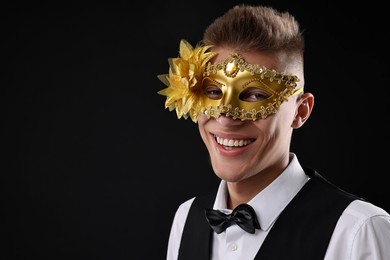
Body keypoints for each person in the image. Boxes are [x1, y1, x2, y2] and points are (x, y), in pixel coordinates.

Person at [157, 4, 390, 260]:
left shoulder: (358, 233)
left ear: (300, 112)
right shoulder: (186, 219)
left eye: (256, 95)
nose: (226, 116)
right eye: (213, 92)